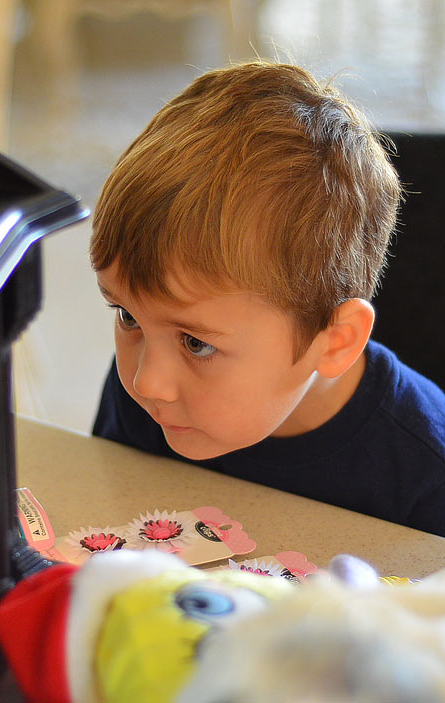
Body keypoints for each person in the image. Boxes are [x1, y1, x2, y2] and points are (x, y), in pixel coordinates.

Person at [90, 61, 445, 537]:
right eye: (128, 316)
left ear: (335, 341)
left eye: (196, 343)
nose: (146, 381)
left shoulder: (426, 470)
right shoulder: (143, 399)